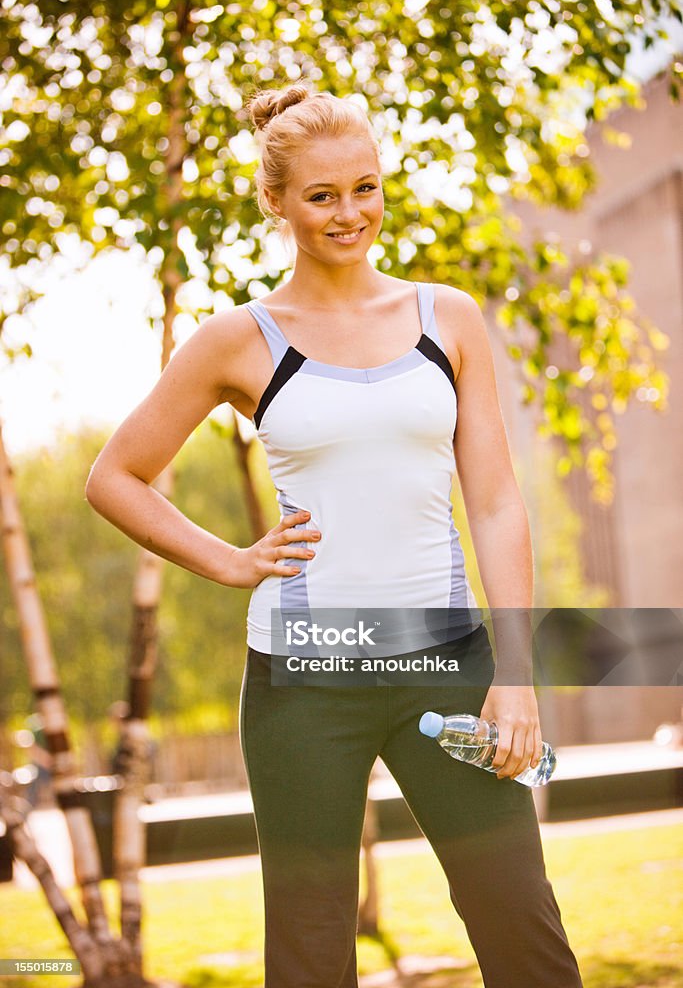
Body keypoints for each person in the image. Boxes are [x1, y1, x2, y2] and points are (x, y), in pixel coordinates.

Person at [85, 83, 584, 988]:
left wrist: (516, 676)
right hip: (300, 684)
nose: (349, 214)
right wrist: (231, 563)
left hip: (447, 660)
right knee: (312, 953)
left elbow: (498, 503)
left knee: (520, 924)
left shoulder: (448, 319)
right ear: (274, 201)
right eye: (320, 196)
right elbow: (114, 476)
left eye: (365, 188)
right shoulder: (240, 339)